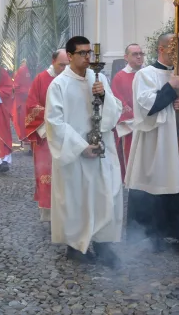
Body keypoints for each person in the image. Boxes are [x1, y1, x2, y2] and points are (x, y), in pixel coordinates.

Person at [125, 33, 179, 256]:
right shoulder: (145, 75)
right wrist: (171, 87)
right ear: (161, 49)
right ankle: (152, 236)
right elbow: (145, 106)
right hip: (156, 142)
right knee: (155, 186)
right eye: (174, 50)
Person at [46, 37, 123, 267]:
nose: (87, 57)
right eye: (82, 53)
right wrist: (81, 147)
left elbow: (114, 112)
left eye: (89, 52)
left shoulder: (98, 79)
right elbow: (54, 123)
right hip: (76, 153)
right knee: (77, 200)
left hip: (100, 149)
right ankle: (76, 246)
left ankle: (103, 244)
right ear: (69, 56)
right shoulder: (59, 85)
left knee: (106, 195)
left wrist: (104, 96)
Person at [25, 49, 69, 222]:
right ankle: (49, 215)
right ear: (53, 61)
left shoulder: (72, 79)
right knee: (47, 174)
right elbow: (31, 106)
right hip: (47, 136)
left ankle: (67, 213)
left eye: (67, 65)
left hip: (68, 135)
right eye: (61, 65)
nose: (65, 69)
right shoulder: (41, 79)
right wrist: (53, 116)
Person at [110, 43, 144, 180]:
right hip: (131, 127)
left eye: (141, 54)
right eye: (135, 54)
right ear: (126, 57)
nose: (139, 57)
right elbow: (118, 101)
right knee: (132, 161)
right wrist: (136, 120)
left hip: (150, 124)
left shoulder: (148, 74)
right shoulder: (120, 77)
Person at [12, 60, 33, 151]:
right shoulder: (22, 70)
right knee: (25, 122)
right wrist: (27, 92)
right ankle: (27, 146)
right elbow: (16, 87)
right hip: (24, 101)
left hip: (35, 102)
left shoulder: (38, 67)